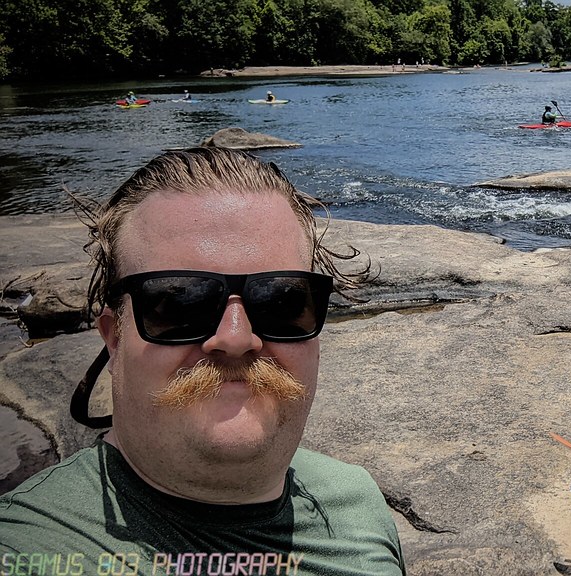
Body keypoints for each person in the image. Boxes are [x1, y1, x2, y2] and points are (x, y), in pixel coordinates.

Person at [0, 147, 406, 575]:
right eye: (177, 303)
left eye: (282, 301)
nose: (235, 338)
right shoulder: (25, 547)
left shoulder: (357, 503)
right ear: (113, 336)